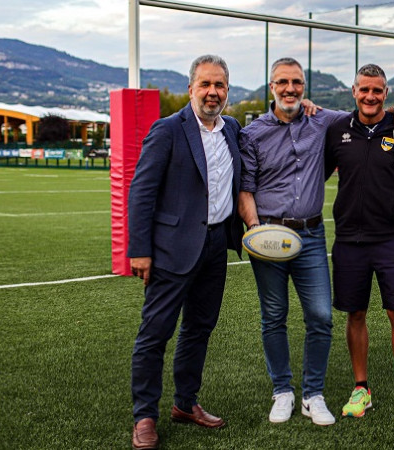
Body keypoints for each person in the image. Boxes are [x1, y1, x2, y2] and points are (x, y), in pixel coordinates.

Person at [238, 57, 394, 426]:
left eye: (296, 83)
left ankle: (313, 394)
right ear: (271, 87)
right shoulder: (252, 133)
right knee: (274, 316)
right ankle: (283, 391)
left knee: (320, 315)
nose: (290, 89)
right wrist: (255, 229)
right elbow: (246, 188)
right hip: (268, 234)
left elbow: (369, 112)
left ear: (305, 87)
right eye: (283, 82)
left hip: (311, 234)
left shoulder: (324, 120)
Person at [126, 54, 244, 450]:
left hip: (216, 246)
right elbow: (141, 192)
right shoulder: (167, 130)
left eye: (219, 85)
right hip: (171, 249)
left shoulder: (232, 129)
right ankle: (145, 416)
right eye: (205, 84)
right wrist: (140, 250)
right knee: (155, 333)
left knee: (199, 329)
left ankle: (185, 403)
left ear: (227, 90)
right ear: (191, 88)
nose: (213, 92)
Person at [322, 64, 394, 425]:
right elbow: (316, 174)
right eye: (364, 89)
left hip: (391, 241)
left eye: (377, 90)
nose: (370, 96)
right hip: (349, 242)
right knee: (355, 314)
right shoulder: (338, 130)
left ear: (386, 93)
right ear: (354, 91)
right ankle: (361, 389)